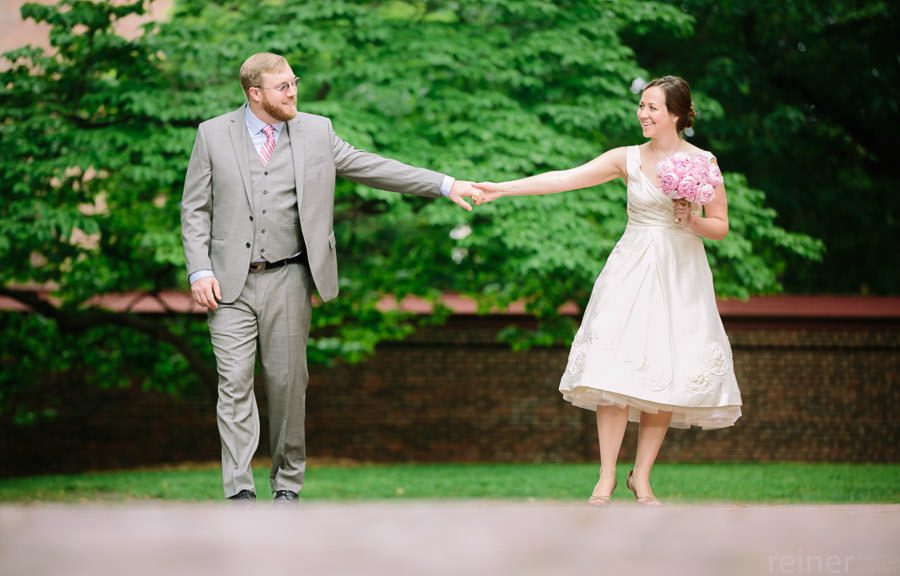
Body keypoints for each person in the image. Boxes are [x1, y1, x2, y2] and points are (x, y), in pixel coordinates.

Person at [181, 52, 477, 502]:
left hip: (289, 277)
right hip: (228, 283)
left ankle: (286, 486)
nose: (293, 91)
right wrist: (199, 269)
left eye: (294, 82)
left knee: (286, 384)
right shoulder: (212, 134)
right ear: (254, 93)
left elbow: (373, 166)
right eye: (283, 86)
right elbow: (194, 208)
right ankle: (239, 491)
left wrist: (443, 184)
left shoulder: (316, 131)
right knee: (234, 382)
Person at [472, 76, 742, 506]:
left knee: (667, 369)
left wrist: (692, 220)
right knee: (613, 367)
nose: (643, 114)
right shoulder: (627, 159)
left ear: (676, 113)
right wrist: (501, 189)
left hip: (681, 273)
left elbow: (721, 226)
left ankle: (643, 476)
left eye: (652, 107)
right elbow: (566, 178)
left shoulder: (703, 163)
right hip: (630, 270)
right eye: (641, 105)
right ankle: (605, 476)